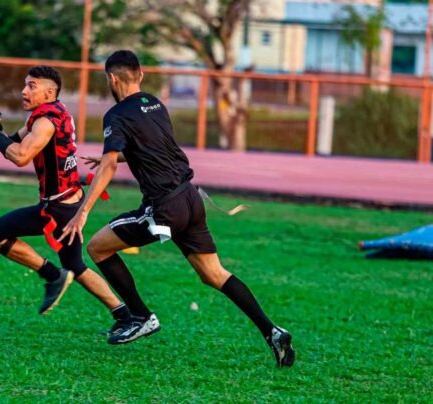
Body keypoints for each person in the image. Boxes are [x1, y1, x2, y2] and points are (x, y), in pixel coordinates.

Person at [60, 51, 295, 367]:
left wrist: (83, 211)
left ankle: (141, 316)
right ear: (141, 75)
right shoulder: (155, 104)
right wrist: (109, 158)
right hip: (191, 199)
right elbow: (150, 150)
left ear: (111, 79)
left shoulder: (116, 115)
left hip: (164, 208)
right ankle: (272, 331)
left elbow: (110, 166)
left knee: (97, 247)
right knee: (214, 274)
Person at [0, 65, 132, 326]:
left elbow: (20, 156)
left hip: (58, 209)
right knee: (76, 266)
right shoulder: (52, 111)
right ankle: (124, 315)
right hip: (68, 201)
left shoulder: (45, 121)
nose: (24, 91)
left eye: (31, 86)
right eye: (25, 84)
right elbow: (15, 142)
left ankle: (52, 275)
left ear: (48, 92)